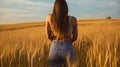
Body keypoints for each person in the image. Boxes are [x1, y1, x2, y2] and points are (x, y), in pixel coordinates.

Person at [46, 0, 78, 67]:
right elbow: (75, 37)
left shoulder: (49, 17)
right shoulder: (73, 19)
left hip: (54, 48)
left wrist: (55, 41)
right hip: (68, 47)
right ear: (66, 8)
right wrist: (68, 42)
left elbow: (48, 36)